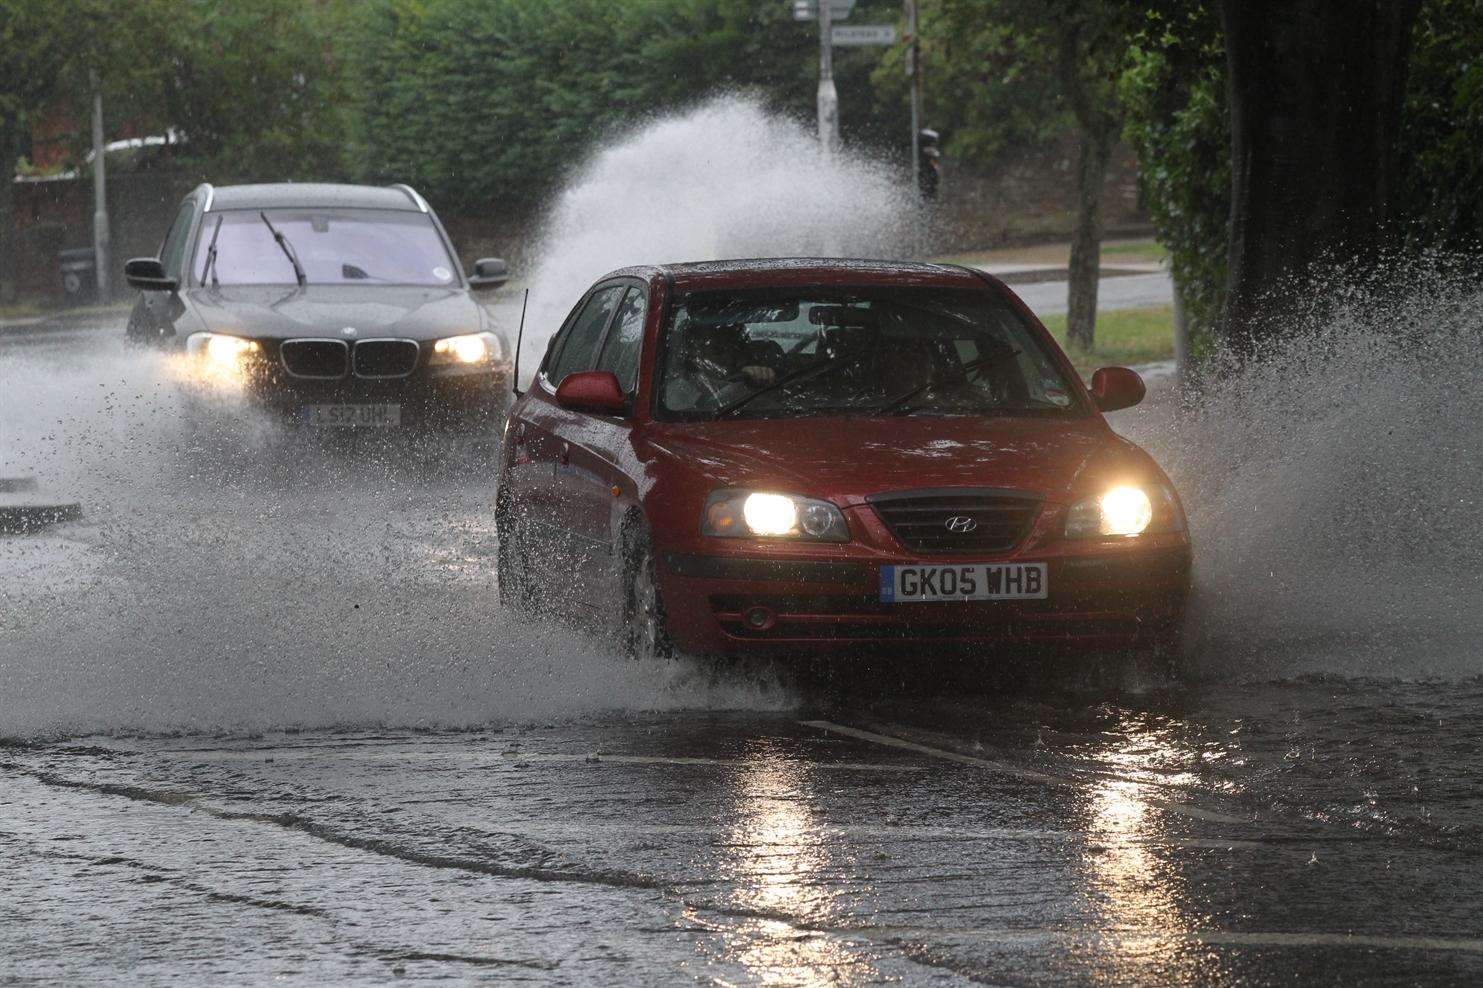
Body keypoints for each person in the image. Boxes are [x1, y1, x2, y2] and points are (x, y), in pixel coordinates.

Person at [666, 322, 777, 411]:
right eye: (717, 351)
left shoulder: (755, 380)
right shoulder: (680, 391)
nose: (729, 358)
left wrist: (759, 381)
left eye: (734, 348)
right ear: (696, 355)